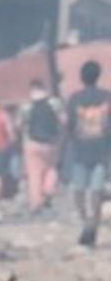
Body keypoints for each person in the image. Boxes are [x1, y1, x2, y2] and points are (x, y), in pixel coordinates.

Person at [68, 61, 111, 246]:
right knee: (96, 191)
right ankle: (92, 224)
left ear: (81, 77)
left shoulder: (74, 98)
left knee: (79, 190)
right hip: (102, 151)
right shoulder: (107, 97)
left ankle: (87, 221)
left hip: (80, 151)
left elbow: (69, 125)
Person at [23, 80, 63, 213]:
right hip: (51, 142)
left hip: (32, 143)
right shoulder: (54, 103)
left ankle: (36, 203)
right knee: (51, 168)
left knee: (34, 173)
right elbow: (63, 120)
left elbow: (20, 124)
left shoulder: (27, 106)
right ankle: (48, 190)